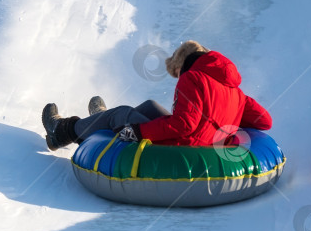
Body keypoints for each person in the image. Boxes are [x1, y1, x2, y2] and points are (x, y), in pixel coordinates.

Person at [42, 41, 272, 150]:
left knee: (121, 114)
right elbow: (265, 121)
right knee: (151, 105)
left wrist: (139, 131)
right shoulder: (236, 91)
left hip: (185, 146)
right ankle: (99, 123)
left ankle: (61, 132)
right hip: (209, 143)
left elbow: (184, 125)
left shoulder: (192, 78)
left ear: (184, 63)